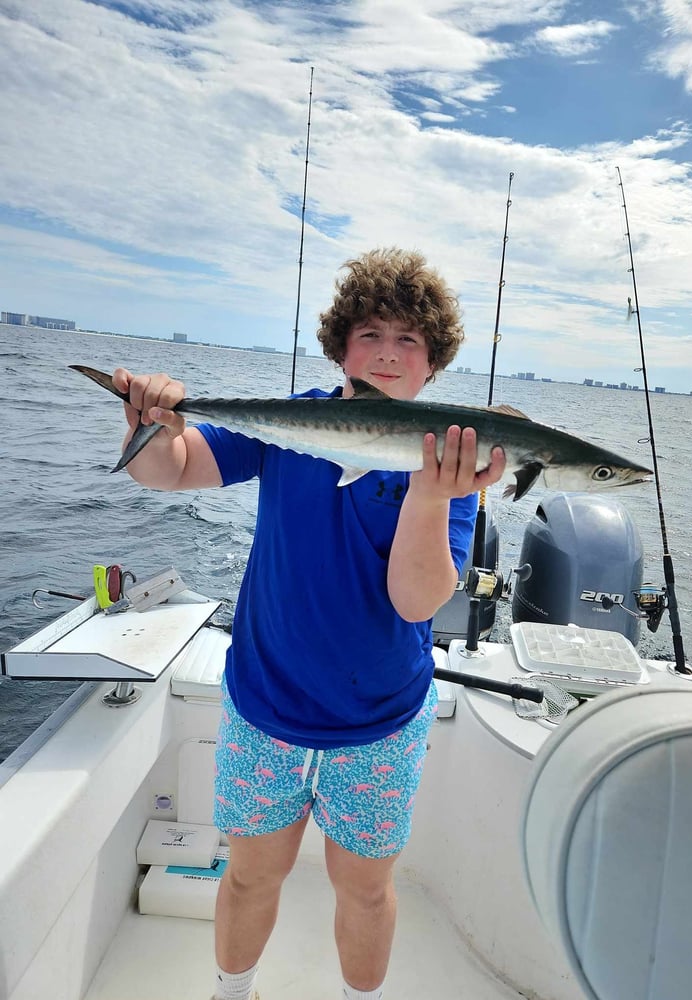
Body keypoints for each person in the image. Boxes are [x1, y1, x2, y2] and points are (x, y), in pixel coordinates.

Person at [114, 247, 506, 1000]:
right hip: (268, 705)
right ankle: (234, 993)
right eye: (370, 335)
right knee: (252, 875)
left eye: (409, 341)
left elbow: (417, 603)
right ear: (339, 347)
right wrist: (155, 427)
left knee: (363, 889)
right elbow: (171, 469)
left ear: (434, 363)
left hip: (381, 720)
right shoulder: (295, 422)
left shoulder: (454, 464)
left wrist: (429, 495)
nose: (388, 354)